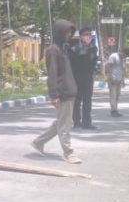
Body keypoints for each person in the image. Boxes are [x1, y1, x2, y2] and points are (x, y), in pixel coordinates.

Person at [32, 19, 82, 164]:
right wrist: (54, 95)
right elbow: (52, 74)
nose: (69, 35)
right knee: (65, 124)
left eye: (70, 32)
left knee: (63, 122)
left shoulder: (62, 49)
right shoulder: (53, 50)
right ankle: (68, 152)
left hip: (69, 91)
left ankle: (39, 142)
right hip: (63, 93)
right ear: (60, 32)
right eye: (67, 32)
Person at [69, 27, 99, 129]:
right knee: (77, 102)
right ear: (81, 36)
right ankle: (76, 122)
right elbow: (72, 65)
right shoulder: (74, 49)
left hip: (88, 80)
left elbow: (93, 62)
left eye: (90, 35)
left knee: (88, 102)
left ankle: (87, 123)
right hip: (76, 80)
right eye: (86, 34)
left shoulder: (93, 49)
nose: (88, 37)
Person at [105, 47, 129, 117]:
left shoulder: (122, 59)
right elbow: (108, 67)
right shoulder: (113, 56)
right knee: (113, 95)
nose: (125, 57)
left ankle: (115, 110)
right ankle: (113, 110)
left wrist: (123, 81)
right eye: (125, 55)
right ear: (122, 52)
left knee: (117, 96)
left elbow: (122, 70)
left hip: (119, 80)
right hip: (112, 79)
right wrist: (111, 78)